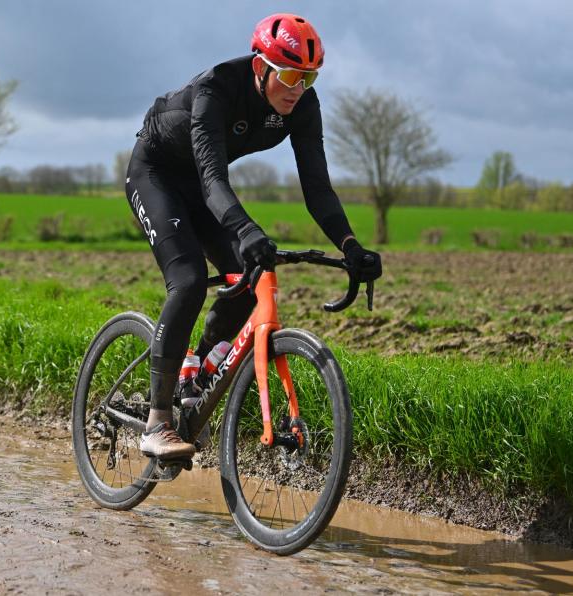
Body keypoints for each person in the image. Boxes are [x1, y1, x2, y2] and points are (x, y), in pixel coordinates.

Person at [126, 13, 383, 459]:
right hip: (158, 175)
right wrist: (246, 229)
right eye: (288, 74)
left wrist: (351, 246)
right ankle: (156, 421)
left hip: (204, 187)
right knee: (187, 281)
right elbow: (212, 179)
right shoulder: (217, 89)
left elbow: (318, 189)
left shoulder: (303, 104)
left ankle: (197, 366)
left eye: (308, 76)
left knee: (251, 274)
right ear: (260, 65)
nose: (297, 87)